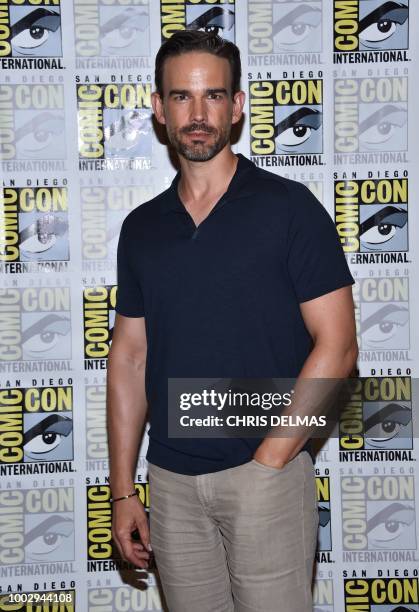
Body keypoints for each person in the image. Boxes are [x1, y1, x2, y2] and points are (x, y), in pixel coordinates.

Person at [107, 30, 358, 612]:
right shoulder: (141, 228)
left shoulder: (289, 208)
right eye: (181, 98)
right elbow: (130, 357)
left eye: (213, 96)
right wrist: (125, 490)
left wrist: (271, 459)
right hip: (170, 482)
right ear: (158, 107)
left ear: (238, 105)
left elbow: (339, 346)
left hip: (264, 473)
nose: (198, 115)